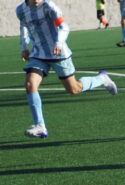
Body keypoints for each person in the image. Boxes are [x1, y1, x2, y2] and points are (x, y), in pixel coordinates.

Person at [16, 0, 117, 138]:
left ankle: (102, 79)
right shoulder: (21, 10)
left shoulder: (49, 6)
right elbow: (24, 26)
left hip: (59, 53)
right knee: (30, 84)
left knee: (74, 89)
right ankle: (40, 126)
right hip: (38, 54)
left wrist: (58, 42)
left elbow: (64, 27)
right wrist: (23, 47)